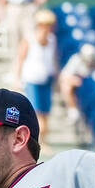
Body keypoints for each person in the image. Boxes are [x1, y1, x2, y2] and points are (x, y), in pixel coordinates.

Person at [13, 10, 58, 145]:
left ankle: (43, 140)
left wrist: (56, 76)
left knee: (46, 112)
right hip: (32, 80)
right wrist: (17, 78)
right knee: (37, 113)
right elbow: (20, 59)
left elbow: (53, 59)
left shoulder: (52, 40)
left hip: (46, 79)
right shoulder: (29, 40)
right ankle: (38, 141)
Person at [58, 41, 95, 123]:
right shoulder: (76, 59)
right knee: (66, 86)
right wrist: (77, 80)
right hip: (80, 86)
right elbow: (64, 76)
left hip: (94, 88)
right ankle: (73, 110)